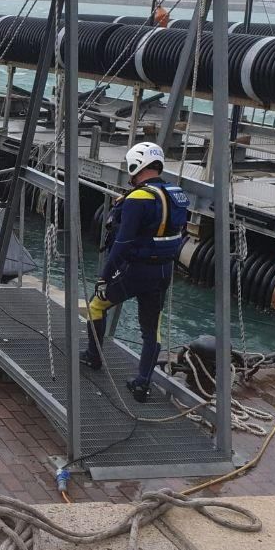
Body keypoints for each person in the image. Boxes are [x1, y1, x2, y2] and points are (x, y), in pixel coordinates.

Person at [81, 141, 190, 401]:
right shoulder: (177, 194)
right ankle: (142, 382)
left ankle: (93, 357)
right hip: (163, 271)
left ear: (136, 164)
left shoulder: (139, 198)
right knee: (151, 329)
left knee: (96, 307)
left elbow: (122, 242)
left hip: (133, 271)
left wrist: (104, 276)